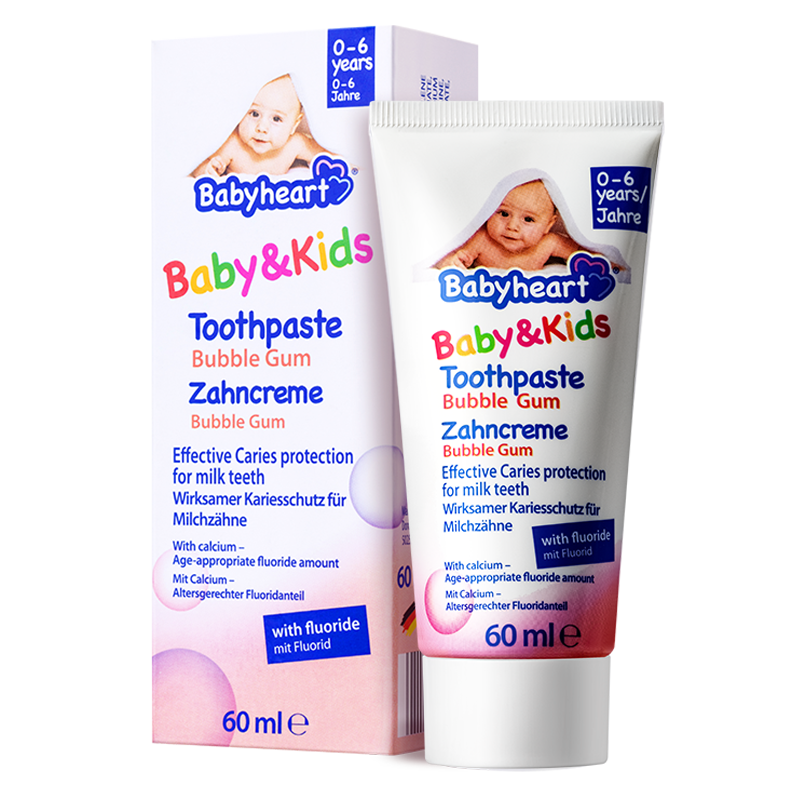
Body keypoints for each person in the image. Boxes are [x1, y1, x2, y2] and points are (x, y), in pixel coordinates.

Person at [191, 74, 330, 178]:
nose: (262, 128)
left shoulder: (295, 144)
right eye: (254, 114)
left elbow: (329, 157)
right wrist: (209, 169)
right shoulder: (232, 144)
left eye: (276, 119)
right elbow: (197, 166)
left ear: (294, 124)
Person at [435, 180, 589, 272]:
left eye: (528, 219)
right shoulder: (482, 239)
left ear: (549, 225)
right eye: (503, 213)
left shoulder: (549, 243)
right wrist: (452, 262)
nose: (512, 226)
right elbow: (442, 255)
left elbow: (586, 255)